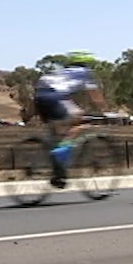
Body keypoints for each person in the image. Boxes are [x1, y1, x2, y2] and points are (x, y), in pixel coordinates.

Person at [33, 50, 108, 186]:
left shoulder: (62, 72)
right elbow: (95, 95)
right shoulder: (85, 72)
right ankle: (61, 152)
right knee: (79, 121)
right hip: (56, 97)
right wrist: (105, 110)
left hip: (40, 96)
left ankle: (59, 175)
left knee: (55, 135)